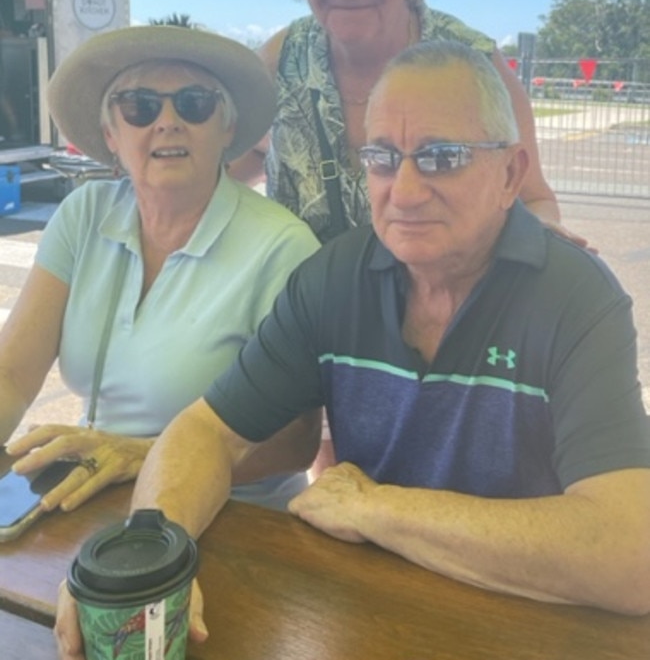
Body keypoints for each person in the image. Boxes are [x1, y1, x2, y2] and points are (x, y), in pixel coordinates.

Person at [55, 39, 650, 659]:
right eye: (382, 157)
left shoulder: (575, 296)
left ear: (509, 173)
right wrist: (153, 558)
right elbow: (207, 431)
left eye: (442, 156)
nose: (406, 189)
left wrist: (378, 510)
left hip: (526, 628)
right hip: (364, 618)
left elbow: (629, 551)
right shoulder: (335, 277)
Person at [0, 24, 320, 515]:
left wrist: (142, 458)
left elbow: (296, 443)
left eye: (194, 103)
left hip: (237, 518)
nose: (167, 121)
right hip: (98, 497)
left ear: (227, 128)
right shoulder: (84, 214)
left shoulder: (282, 246)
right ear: (111, 132)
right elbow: (14, 374)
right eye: (140, 106)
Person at [230, 0, 573, 247]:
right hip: (310, 306)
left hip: (443, 303)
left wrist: (543, 244)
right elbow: (246, 158)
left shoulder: (473, 62)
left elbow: (533, 198)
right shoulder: (281, 61)